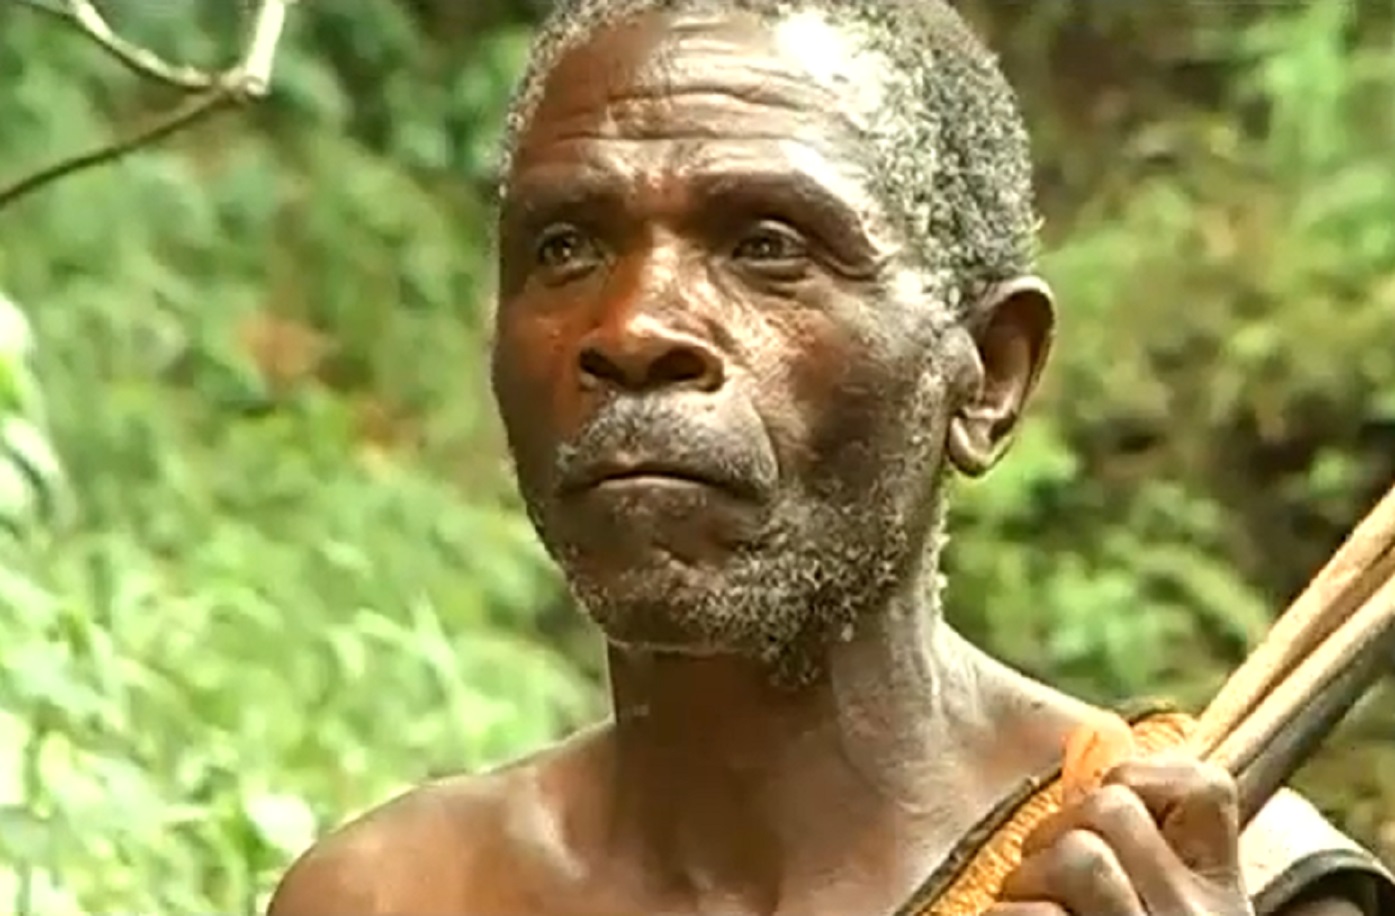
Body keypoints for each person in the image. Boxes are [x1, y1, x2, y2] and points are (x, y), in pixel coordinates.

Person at [266, 1, 1395, 913]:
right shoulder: (397, 894)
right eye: (565, 248)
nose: (633, 325)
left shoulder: (1197, 868)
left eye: (767, 246)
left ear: (990, 372)